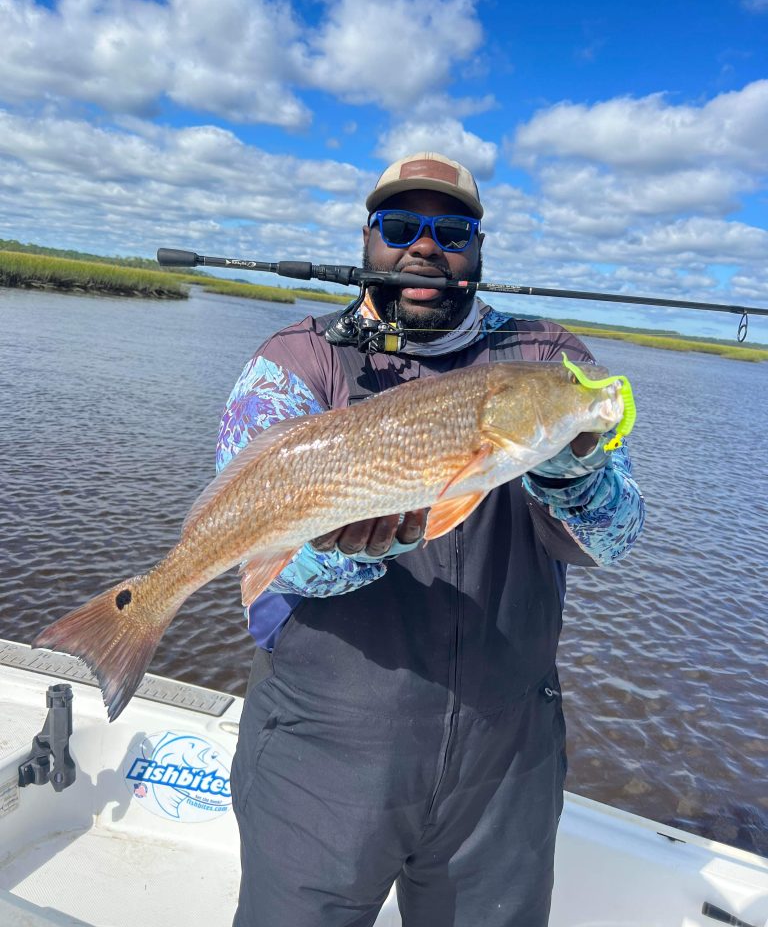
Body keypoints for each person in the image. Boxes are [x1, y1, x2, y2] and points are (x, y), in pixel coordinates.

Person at [217, 152, 645, 927]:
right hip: (322, 747)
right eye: (399, 226)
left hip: (506, 757)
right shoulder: (294, 362)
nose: (425, 247)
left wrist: (570, 472)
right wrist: (346, 549)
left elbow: (617, 536)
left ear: (477, 251)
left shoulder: (550, 361)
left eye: (451, 230)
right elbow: (265, 562)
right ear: (367, 241)